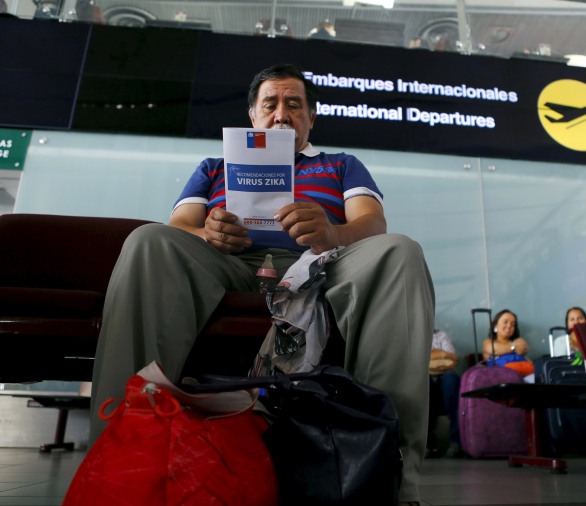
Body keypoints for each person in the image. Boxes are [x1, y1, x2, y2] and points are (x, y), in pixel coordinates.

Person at [89, 63, 435, 505]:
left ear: (310, 119)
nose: (282, 113)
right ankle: (120, 458)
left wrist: (333, 234)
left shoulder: (341, 164)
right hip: (228, 261)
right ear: (253, 116)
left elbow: (372, 222)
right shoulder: (214, 166)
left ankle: (389, 475)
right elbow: (179, 226)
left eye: (295, 105)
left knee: (400, 250)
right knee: (149, 240)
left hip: (322, 263)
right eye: (270, 104)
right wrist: (208, 234)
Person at [427, 328, 461, 458]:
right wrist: (441, 355)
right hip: (423, 375)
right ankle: (427, 443)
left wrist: (430, 355)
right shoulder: (410, 334)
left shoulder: (441, 335)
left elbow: (453, 358)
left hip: (444, 373)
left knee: (451, 379)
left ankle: (456, 441)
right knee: (423, 382)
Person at [481, 309, 533, 379]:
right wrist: (513, 347)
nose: (509, 326)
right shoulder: (488, 342)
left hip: (526, 376)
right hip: (502, 380)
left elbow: (524, 349)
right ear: (495, 326)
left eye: (512, 324)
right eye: (505, 322)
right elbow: (494, 349)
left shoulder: (518, 341)